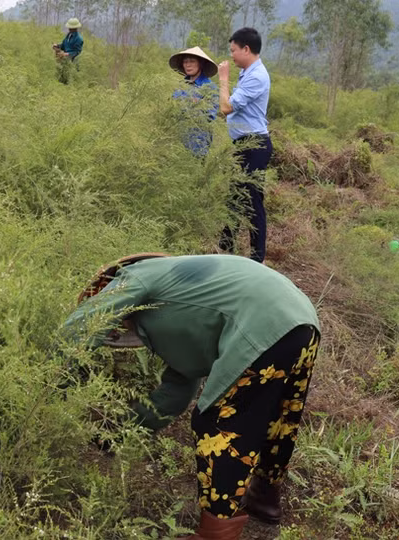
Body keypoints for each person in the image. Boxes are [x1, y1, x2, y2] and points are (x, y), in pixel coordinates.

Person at [62, 254, 320, 540]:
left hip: (266, 319)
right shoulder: (184, 311)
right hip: (301, 321)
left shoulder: (134, 276)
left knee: (218, 425)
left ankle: (215, 534)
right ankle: (263, 496)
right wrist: (117, 434)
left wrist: (53, 393)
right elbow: (174, 395)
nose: (119, 331)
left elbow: (78, 330)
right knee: (278, 417)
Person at [217, 28, 273, 263]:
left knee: (251, 199)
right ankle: (225, 248)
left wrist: (222, 79)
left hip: (255, 146)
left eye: (233, 51)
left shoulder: (257, 76)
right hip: (243, 144)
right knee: (234, 196)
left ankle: (257, 257)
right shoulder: (248, 73)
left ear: (246, 49)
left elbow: (226, 107)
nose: (231, 56)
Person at [168, 46, 219, 156]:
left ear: (200, 64)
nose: (188, 64)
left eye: (192, 61)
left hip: (198, 145)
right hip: (178, 144)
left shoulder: (209, 87)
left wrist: (196, 106)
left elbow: (210, 116)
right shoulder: (180, 86)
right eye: (185, 61)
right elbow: (172, 109)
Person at [53, 18, 84, 84]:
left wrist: (68, 54)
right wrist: (57, 46)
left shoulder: (79, 39)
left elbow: (77, 52)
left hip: (72, 62)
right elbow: (64, 45)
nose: (69, 29)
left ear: (75, 28)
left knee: (70, 78)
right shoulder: (68, 35)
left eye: (71, 28)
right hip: (64, 60)